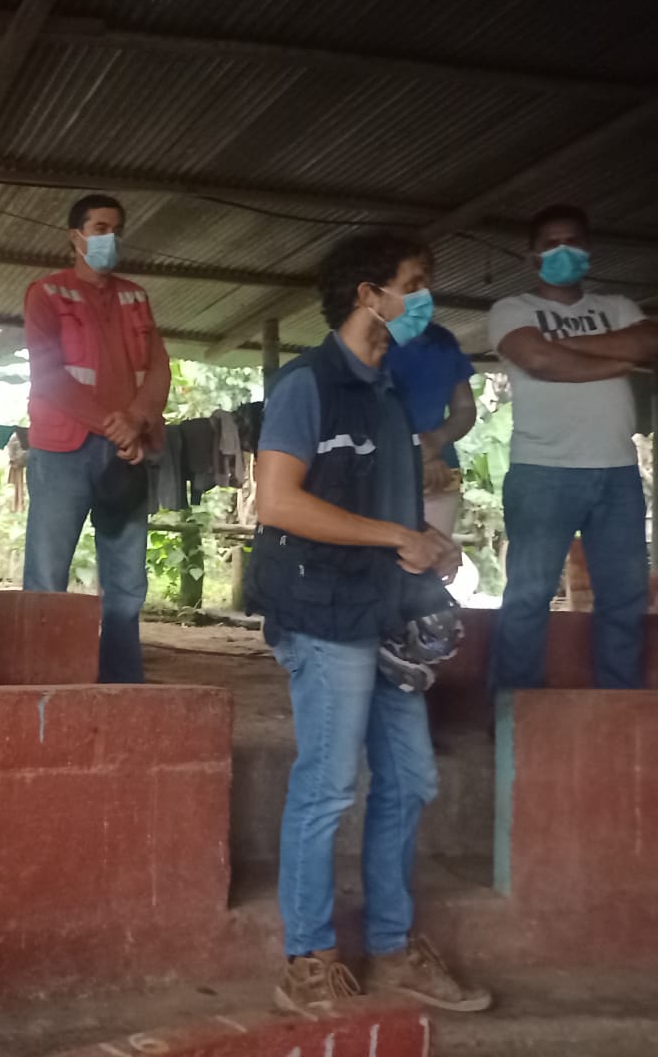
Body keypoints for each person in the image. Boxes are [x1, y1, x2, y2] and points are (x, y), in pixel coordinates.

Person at [247, 230, 490, 1016]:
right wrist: (396, 536)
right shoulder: (307, 383)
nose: (425, 299)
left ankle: (390, 949)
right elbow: (278, 502)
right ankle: (308, 959)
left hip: (383, 607)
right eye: (413, 283)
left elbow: (386, 508)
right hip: (322, 609)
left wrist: (426, 542)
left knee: (411, 778)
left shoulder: (388, 389)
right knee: (327, 783)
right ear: (367, 295)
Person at [486, 204, 645, 692]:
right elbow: (537, 359)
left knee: (624, 596)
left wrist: (567, 351)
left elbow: (647, 344)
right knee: (529, 595)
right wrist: (615, 358)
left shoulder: (617, 304)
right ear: (532, 255)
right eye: (551, 244)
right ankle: (514, 708)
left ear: (588, 248)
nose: (563, 251)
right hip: (543, 470)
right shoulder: (512, 309)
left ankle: (618, 702)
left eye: (572, 241)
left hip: (617, 471)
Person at [21, 194, 169, 683]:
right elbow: (48, 376)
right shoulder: (46, 293)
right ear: (75, 237)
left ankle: (122, 685)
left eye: (116, 229)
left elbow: (159, 369)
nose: (111, 238)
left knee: (127, 579)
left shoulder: (135, 297)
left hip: (125, 452)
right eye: (100, 228)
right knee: (47, 575)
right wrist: (115, 424)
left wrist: (139, 419)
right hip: (62, 451)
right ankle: (41, 684)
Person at [382, 252, 476, 536]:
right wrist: (417, 452)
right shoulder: (369, 342)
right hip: (382, 467)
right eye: (412, 285)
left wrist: (436, 440)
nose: (422, 292)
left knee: (435, 553)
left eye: (426, 282)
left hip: (439, 470)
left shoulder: (443, 340)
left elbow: (465, 409)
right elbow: (363, 411)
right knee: (384, 553)